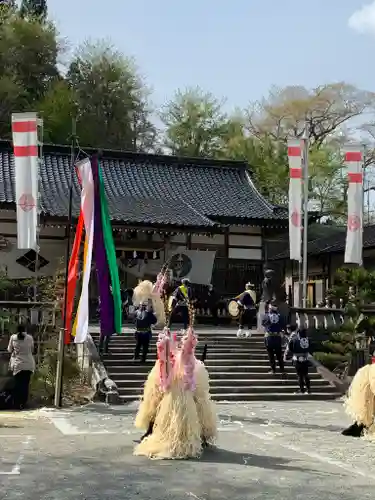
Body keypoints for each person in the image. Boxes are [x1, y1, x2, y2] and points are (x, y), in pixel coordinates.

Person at [133, 266, 217, 459]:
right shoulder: (169, 342)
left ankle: (199, 433)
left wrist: (184, 338)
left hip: (177, 378)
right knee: (155, 400)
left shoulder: (184, 353)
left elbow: (183, 353)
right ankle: (152, 429)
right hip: (170, 376)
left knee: (190, 403)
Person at [7, 325, 35, 410]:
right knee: (25, 385)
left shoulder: (13, 337)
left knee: (18, 385)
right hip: (29, 364)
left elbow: (9, 349)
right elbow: (32, 350)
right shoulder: (30, 338)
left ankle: (17, 404)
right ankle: (23, 404)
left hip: (18, 365)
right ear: (25, 330)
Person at [284, 328, 311, 394]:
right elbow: (312, 348)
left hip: (297, 358)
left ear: (298, 334)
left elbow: (290, 348)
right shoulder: (309, 340)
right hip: (305, 358)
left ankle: (301, 389)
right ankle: (308, 389)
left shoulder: (295, 340)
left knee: (300, 375)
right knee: (306, 375)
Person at [262, 303, 286, 376]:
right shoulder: (281, 317)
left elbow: (263, 324)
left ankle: (273, 369)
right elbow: (283, 325)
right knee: (279, 355)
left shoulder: (266, 316)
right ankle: (282, 369)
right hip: (277, 337)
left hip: (269, 337)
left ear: (270, 309)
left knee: (271, 355)